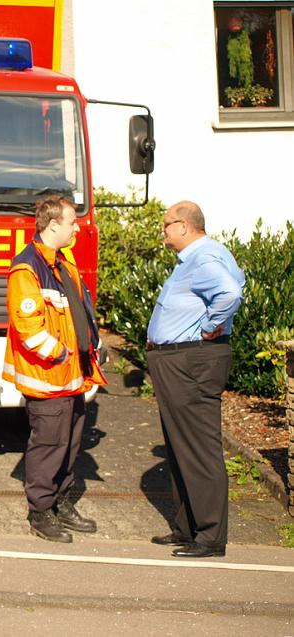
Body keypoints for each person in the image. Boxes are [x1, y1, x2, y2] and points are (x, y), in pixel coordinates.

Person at [2, 195, 106, 543]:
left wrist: (93, 344)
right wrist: (61, 354)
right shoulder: (27, 267)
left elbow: (79, 309)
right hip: (49, 378)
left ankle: (60, 502)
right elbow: (28, 327)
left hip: (72, 376)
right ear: (53, 225)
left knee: (70, 443)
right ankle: (40, 512)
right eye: (73, 221)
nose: (78, 226)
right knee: (49, 445)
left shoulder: (63, 260)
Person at [146, 201, 244, 559]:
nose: (164, 232)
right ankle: (188, 527)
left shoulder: (203, 258)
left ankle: (210, 537)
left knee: (198, 446)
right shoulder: (206, 256)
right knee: (180, 444)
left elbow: (230, 293)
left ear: (185, 226)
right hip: (180, 360)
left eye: (167, 225)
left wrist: (208, 326)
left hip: (189, 359)